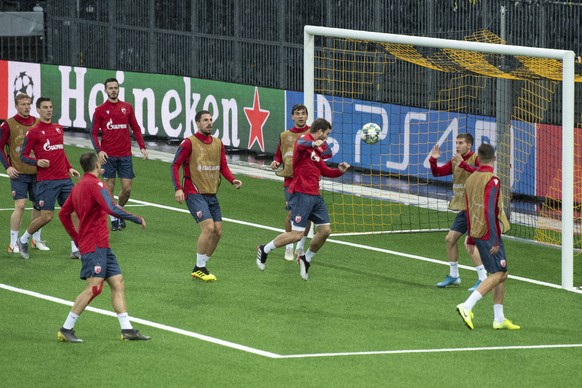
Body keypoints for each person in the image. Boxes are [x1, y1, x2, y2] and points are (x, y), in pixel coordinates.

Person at [57, 151, 150, 342]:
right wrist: (135, 218)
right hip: (94, 244)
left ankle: (127, 330)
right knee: (94, 288)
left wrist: (76, 238)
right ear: (97, 166)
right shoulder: (95, 184)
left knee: (117, 282)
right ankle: (66, 328)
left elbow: (63, 215)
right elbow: (111, 208)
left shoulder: (78, 187)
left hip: (101, 245)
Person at [256, 118, 350, 281]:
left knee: (325, 231)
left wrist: (339, 171)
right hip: (301, 194)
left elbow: (323, 170)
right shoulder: (303, 141)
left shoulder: (317, 150)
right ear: (320, 131)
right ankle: (265, 249)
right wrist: (314, 144)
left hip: (315, 196)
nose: (326, 138)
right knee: (297, 234)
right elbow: (301, 145)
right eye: (326, 134)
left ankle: (306, 258)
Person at [171, 110, 243, 282]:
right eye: (205, 120)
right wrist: (178, 188)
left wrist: (232, 180)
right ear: (197, 123)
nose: (209, 123)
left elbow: (222, 166)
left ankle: (200, 266)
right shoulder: (189, 143)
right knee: (209, 228)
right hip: (194, 192)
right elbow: (175, 165)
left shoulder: (218, 143)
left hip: (211, 193)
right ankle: (200, 267)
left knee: (218, 232)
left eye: (211, 120)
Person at [456, 143, 518, 330]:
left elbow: (468, 209)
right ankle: (467, 306)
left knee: (502, 274)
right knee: (499, 273)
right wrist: (496, 240)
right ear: (494, 159)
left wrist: (469, 237)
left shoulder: (471, 178)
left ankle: (499, 319)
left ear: (479, 158)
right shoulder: (493, 180)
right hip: (488, 233)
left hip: (475, 230)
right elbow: (489, 210)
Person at [17, 97, 80, 260]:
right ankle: (23, 239)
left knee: (74, 212)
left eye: (51, 107)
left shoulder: (59, 128)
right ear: (38, 110)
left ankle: (76, 248)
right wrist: (37, 161)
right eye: (45, 107)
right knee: (47, 216)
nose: (49, 110)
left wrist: (70, 167)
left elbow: (60, 151)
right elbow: (23, 156)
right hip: (47, 181)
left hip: (64, 179)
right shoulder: (34, 132)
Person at [270, 104, 332, 261]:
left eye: (303, 114)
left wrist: (318, 151)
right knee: (291, 213)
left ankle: (300, 246)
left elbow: (327, 152)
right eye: (297, 113)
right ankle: (289, 246)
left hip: (309, 182)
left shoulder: (313, 133)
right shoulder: (285, 135)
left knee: (308, 216)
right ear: (292, 116)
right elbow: (279, 154)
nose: (300, 116)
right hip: (291, 179)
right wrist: (276, 162)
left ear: (307, 116)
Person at [429, 133, 487, 291]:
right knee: (449, 239)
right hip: (464, 208)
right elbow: (438, 173)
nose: (457, 146)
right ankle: (454, 276)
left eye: (460, 143)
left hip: (477, 208)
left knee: (469, 244)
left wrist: (463, 165)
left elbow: (482, 173)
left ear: (469, 145)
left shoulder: (476, 158)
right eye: (456, 143)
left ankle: (483, 279)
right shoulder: (456, 159)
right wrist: (433, 160)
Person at [91, 78, 148, 231]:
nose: (113, 90)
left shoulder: (127, 107)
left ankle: (117, 210)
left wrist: (142, 146)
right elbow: (94, 133)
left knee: (127, 189)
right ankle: (114, 218)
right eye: (110, 88)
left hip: (125, 155)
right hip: (108, 156)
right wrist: (100, 150)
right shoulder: (100, 110)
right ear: (105, 90)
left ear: (119, 89)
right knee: (109, 186)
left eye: (116, 88)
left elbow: (135, 127)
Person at [0, 93, 49, 253]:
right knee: (20, 206)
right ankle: (13, 243)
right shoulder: (8, 124)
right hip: (19, 173)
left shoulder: (37, 122)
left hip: (38, 172)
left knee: (39, 206)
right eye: (23, 104)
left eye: (28, 104)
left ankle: (36, 240)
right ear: (16, 106)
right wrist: (7, 167)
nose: (26, 107)